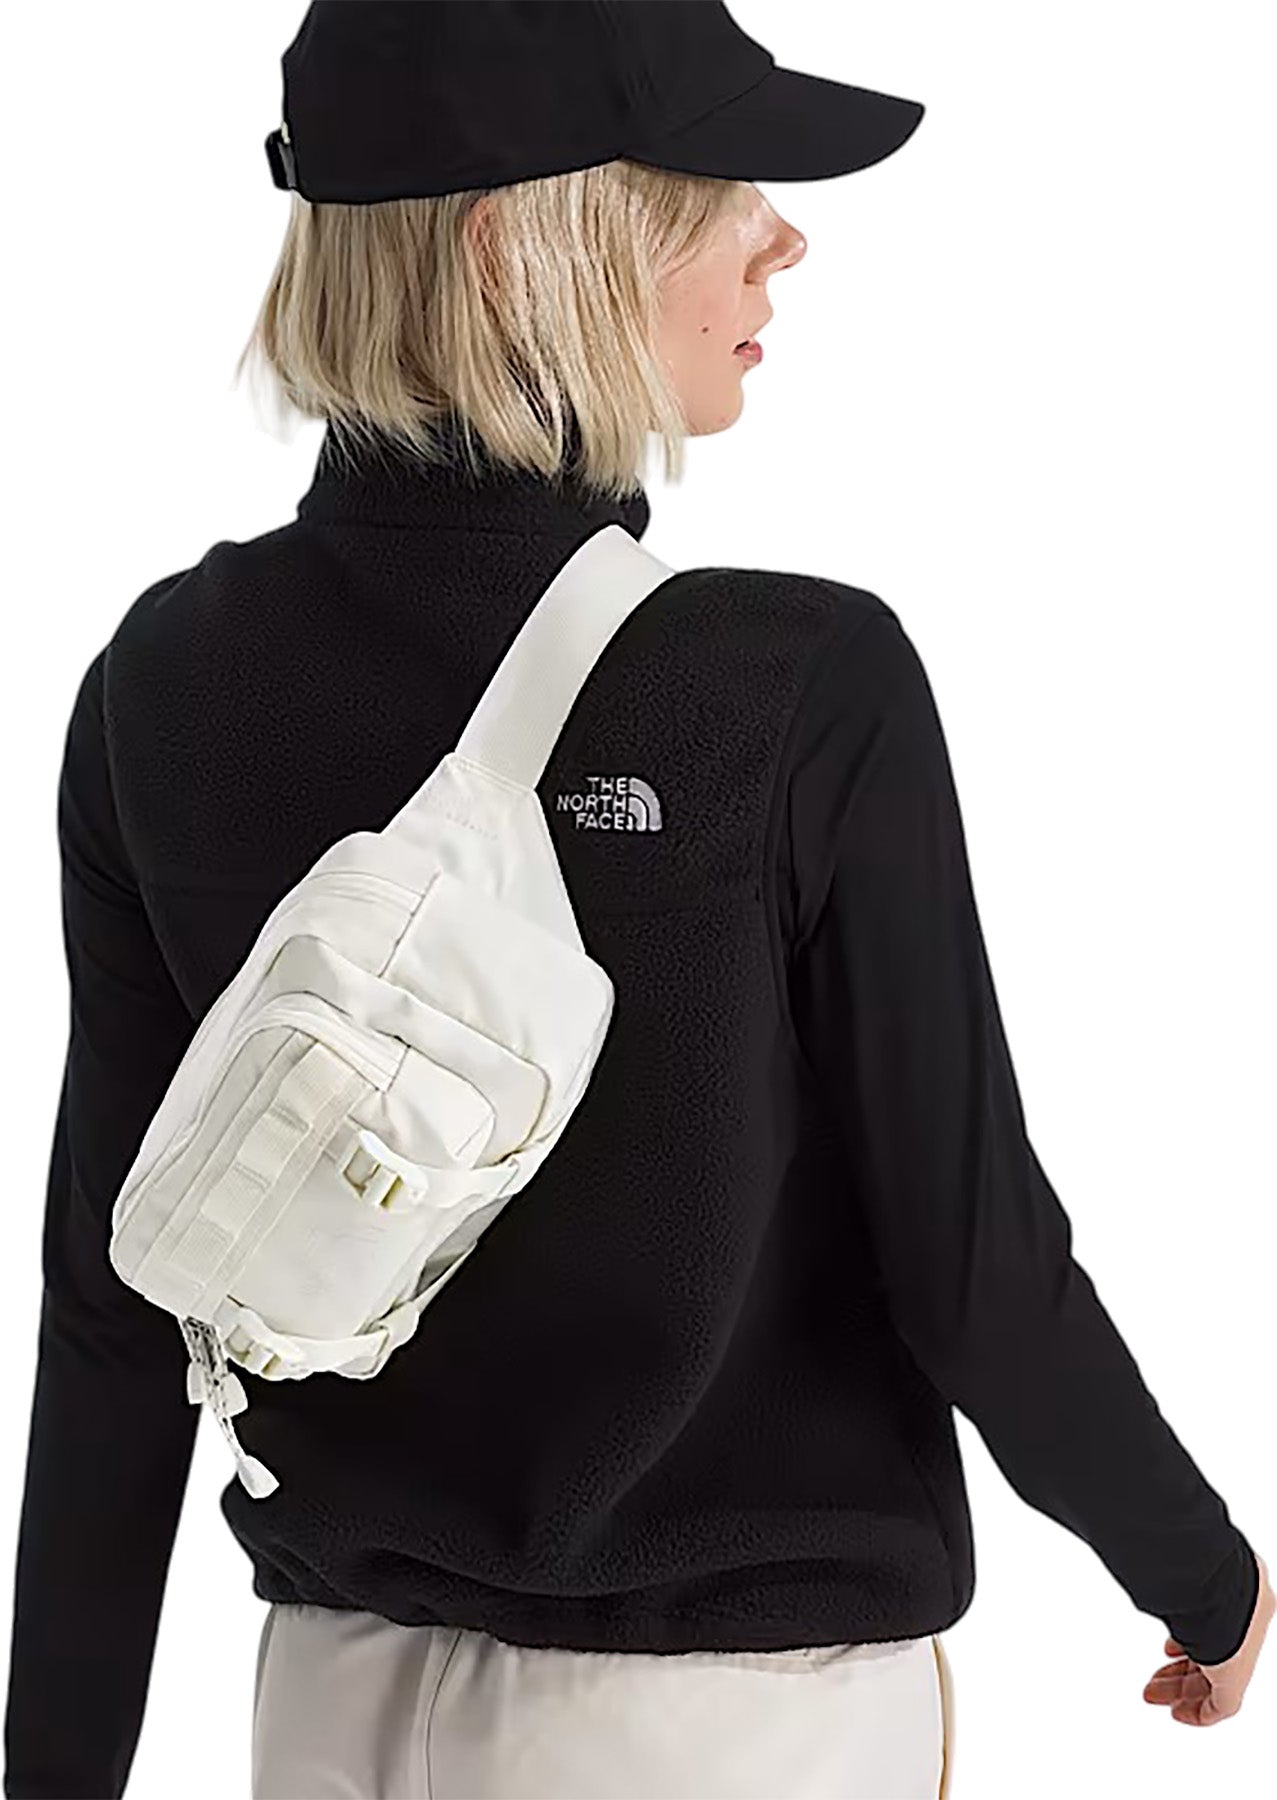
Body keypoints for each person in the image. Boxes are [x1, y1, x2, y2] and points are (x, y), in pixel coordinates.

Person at [4, 5, 1271, 1797]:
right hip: (732, 1730)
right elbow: (972, 1265)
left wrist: (55, 1767)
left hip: (327, 1711)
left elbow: (117, 1299)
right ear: (516, 248)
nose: (781, 237)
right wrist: (1201, 1578)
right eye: (712, 189)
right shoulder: (789, 684)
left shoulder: (163, 681)